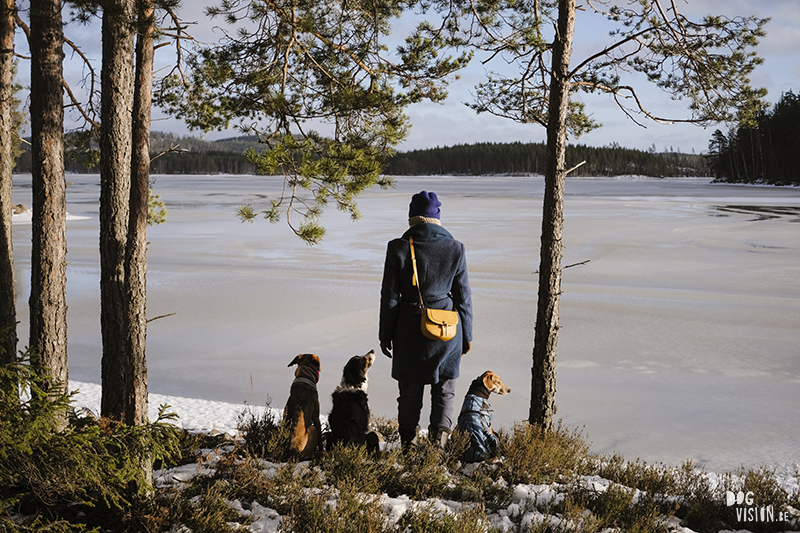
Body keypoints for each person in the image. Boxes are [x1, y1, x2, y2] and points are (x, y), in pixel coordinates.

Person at [379, 191, 473, 449]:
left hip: (409, 330)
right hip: (447, 331)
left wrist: (385, 334)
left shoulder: (398, 247)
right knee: (445, 391)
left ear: (412, 219)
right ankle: (438, 449)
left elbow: (390, 297)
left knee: (409, 393)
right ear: (437, 219)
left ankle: (408, 448)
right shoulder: (456, 249)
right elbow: (464, 296)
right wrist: (467, 336)